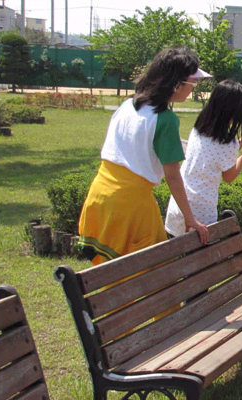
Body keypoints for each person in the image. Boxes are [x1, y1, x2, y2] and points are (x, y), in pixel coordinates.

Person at [78, 47, 210, 265]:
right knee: (148, 279)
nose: (193, 89)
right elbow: (173, 175)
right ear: (177, 84)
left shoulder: (126, 106)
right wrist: (190, 218)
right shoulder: (165, 120)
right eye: (192, 83)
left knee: (112, 276)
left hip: (99, 196)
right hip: (130, 206)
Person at [164, 79, 242, 236]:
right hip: (200, 215)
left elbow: (217, 156)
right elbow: (229, 176)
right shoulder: (227, 143)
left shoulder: (199, 128)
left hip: (179, 207)